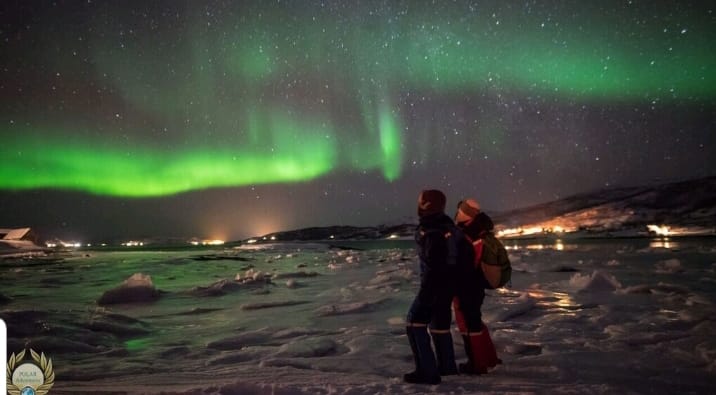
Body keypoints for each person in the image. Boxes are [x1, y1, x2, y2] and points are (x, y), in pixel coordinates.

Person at [404, 189, 468, 384]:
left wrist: (426, 292)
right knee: (439, 325)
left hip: (434, 285)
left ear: (426, 204)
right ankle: (447, 367)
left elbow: (435, 264)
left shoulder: (432, 229)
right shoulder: (448, 225)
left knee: (414, 324)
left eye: (420, 200)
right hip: (448, 285)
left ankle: (427, 372)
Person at [452, 198, 501, 374]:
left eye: (459, 211)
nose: (457, 213)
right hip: (476, 284)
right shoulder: (480, 230)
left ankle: (477, 364)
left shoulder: (467, 233)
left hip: (466, 284)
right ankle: (490, 358)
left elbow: (463, 263)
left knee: (468, 324)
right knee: (475, 321)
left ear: (465, 213)